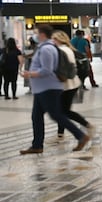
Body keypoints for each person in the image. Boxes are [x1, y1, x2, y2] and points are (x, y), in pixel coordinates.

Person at [19, 24, 91, 154]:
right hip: (42, 89)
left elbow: (47, 70)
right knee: (36, 116)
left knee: (56, 115)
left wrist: (29, 74)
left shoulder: (47, 49)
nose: (34, 35)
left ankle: (80, 136)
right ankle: (37, 145)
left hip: (49, 88)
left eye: (36, 33)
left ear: (42, 34)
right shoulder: (44, 47)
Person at [52, 30, 95, 139]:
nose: (52, 41)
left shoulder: (61, 50)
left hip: (66, 85)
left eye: (54, 39)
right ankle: (60, 134)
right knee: (62, 110)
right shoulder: (68, 49)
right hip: (71, 84)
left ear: (58, 40)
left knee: (63, 111)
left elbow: (60, 69)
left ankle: (87, 125)